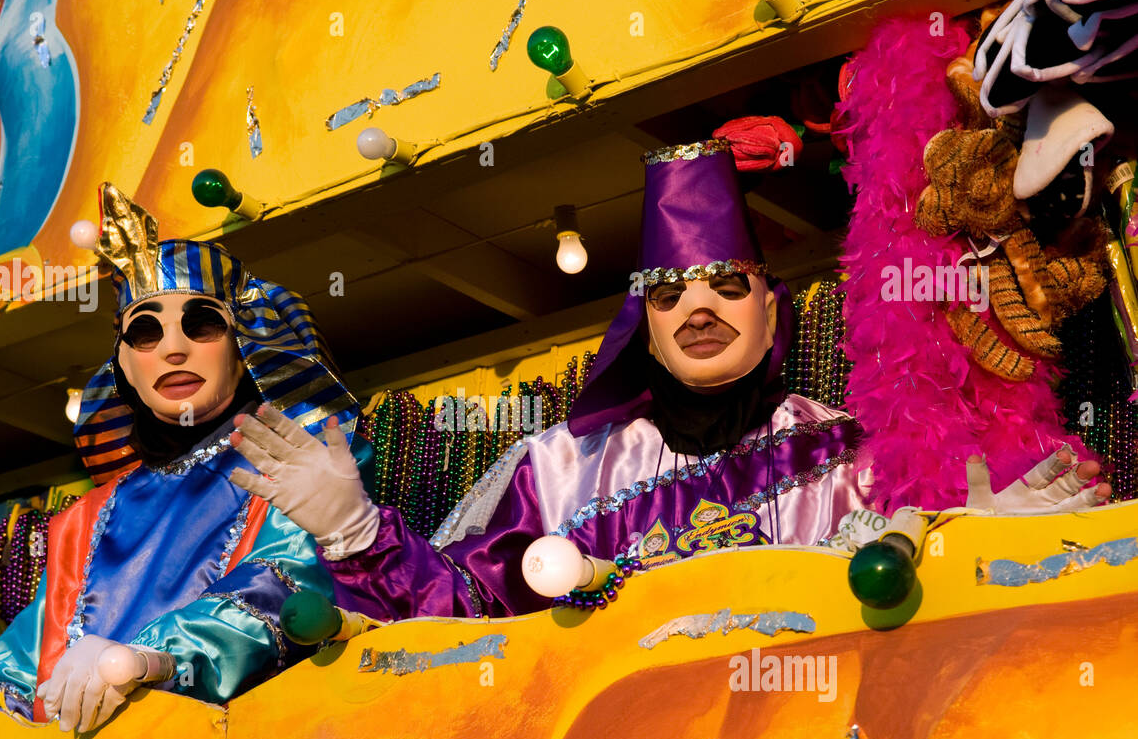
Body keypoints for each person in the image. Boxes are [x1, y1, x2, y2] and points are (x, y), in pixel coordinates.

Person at [229, 139, 1110, 621]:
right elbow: (452, 614)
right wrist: (352, 531)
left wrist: (986, 548)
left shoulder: (858, 454)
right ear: (640, 324)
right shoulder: (551, 470)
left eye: (729, 285)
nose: (699, 307)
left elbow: (911, 600)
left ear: (770, 308)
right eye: (669, 291)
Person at [0, 182, 361, 739]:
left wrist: (153, 658)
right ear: (123, 364)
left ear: (243, 344)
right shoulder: (84, 520)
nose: (172, 350)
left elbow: (292, 589)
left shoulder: (303, 456)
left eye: (201, 325)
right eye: (145, 332)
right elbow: (20, 683)